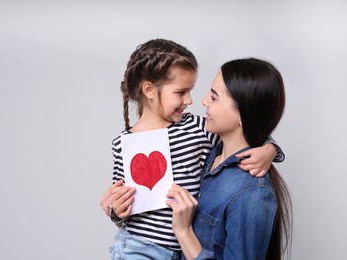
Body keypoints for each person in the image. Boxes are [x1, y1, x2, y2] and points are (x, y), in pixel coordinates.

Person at [101, 39, 285, 259]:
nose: (191, 100)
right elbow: (124, 204)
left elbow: (249, 125)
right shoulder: (123, 144)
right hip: (138, 248)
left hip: (181, 250)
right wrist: (116, 212)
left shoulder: (197, 128)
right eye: (181, 92)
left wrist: (270, 148)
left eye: (191, 90)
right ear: (149, 90)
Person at [166, 57, 293, 259]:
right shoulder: (208, 150)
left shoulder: (252, 193)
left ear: (242, 114)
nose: (204, 100)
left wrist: (184, 233)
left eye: (214, 97)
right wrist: (117, 211)